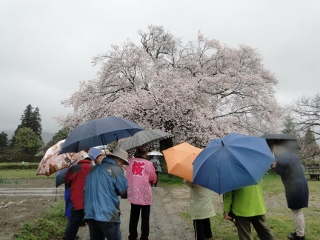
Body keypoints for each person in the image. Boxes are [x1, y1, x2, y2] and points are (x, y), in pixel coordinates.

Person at [84, 148, 129, 240]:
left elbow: (86, 190)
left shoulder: (93, 170)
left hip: (91, 214)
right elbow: (124, 191)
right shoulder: (115, 169)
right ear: (118, 160)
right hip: (107, 214)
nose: (122, 166)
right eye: (122, 163)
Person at [271, 144, 308, 240]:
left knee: (296, 211)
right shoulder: (290, 154)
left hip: (295, 188)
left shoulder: (282, 156)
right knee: (298, 211)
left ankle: (300, 235)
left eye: (274, 147)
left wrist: (275, 166)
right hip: (300, 185)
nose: (273, 149)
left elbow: (280, 170)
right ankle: (300, 232)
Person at [126, 146, 157, 240]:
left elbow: (126, 175)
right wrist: (153, 181)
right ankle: (144, 237)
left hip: (134, 192)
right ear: (146, 153)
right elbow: (153, 177)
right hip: (145, 193)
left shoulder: (130, 162)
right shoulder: (148, 163)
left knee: (134, 215)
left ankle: (132, 235)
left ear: (137, 152)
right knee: (145, 217)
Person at [64, 151, 93, 240]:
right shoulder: (95, 168)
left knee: (74, 224)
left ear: (79, 159)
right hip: (91, 201)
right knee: (93, 226)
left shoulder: (73, 169)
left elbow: (67, 182)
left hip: (77, 201)